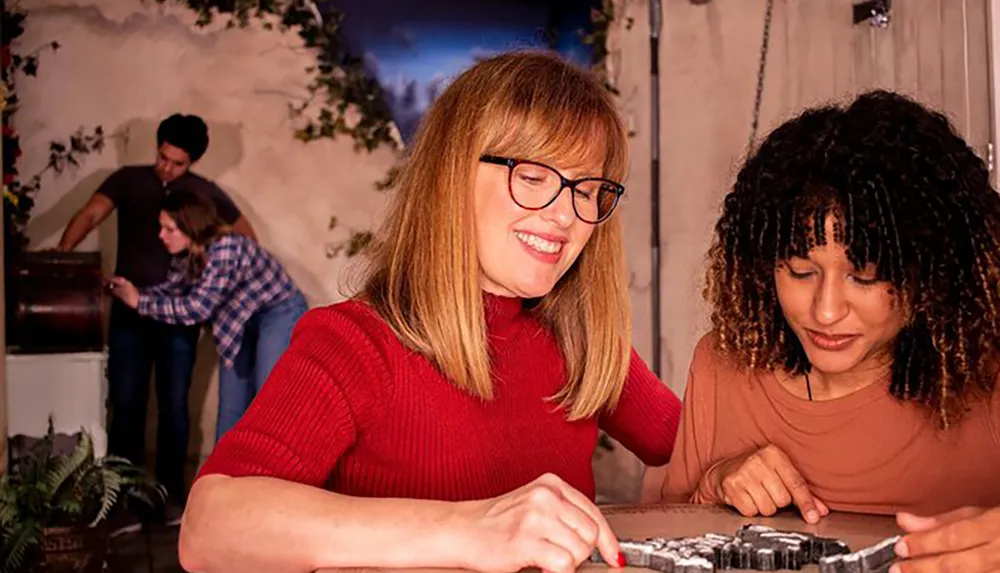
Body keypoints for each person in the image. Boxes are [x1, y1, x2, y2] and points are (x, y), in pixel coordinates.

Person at [176, 50, 683, 573]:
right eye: (533, 177)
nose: (563, 216)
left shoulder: (585, 343)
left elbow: (689, 447)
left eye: (586, 189)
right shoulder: (355, 342)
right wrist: (469, 530)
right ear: (452, 176)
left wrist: (736, 468)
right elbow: (209, 528)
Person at [657, 90, 1000, 573]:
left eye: (865, 276)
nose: (825, 310)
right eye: (800, 271)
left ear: (933, 270)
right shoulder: (724, 365)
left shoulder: (987, 374)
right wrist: (716, 481)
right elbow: (659, 541)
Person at [56, 113, 256, 517]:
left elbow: (246, 238)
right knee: (126, 404)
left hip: (180, 319)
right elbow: (92, 213)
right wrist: (62, 258)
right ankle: (121, 497)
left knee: (174, 406)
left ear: (192, 162)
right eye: (163, 157)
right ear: (158, 147)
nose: (167, 167)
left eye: (177, 163)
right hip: (130, 314)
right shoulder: (127, 180)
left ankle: (168, 499)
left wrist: (210, 272)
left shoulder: (203, 193)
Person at [109, 189, 307, 442]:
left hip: (277, 312)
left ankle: (270, 476)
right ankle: (220, 478)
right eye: (161, 228)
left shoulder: (226, 249)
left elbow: (196, 308)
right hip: (237, 320)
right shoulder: (188, 257)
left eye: (169, 229)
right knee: (231, 406)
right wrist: (132, 292)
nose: (161, 236)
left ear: (191, 226)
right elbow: (172, 290)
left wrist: (139, 302)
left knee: (268, 398)